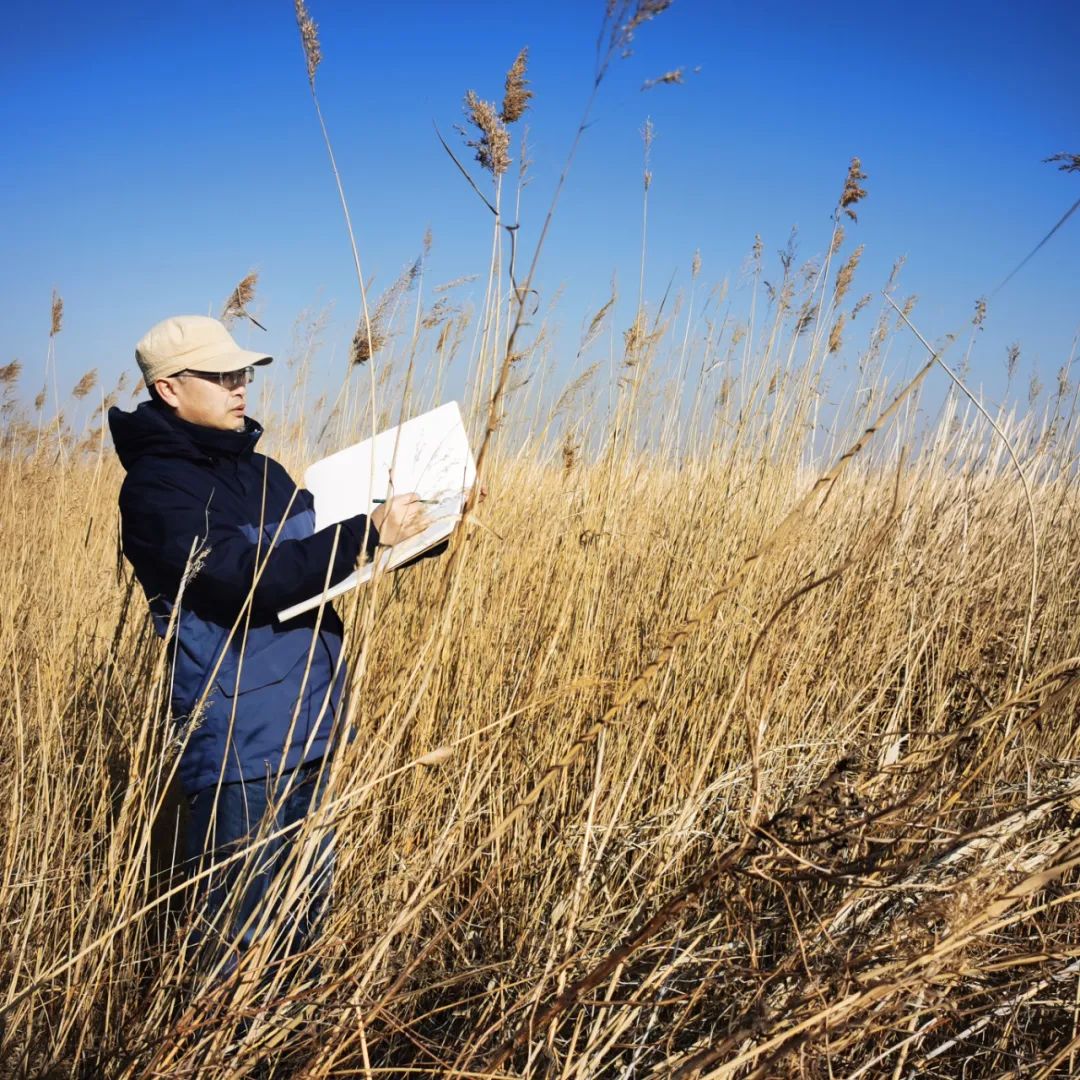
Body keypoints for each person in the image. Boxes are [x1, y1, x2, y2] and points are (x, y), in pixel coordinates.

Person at [108, 314, 430, 977]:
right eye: (221, 374)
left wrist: (428, 519)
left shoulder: (267, 473)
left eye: (243, 373)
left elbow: (328, 555)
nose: (239, 386)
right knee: (234, 945)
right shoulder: (158, 490)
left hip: (313, 726)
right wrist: (366, 534)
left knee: (301, 939)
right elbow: (240, 579)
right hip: (241, 745)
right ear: (169, 389)